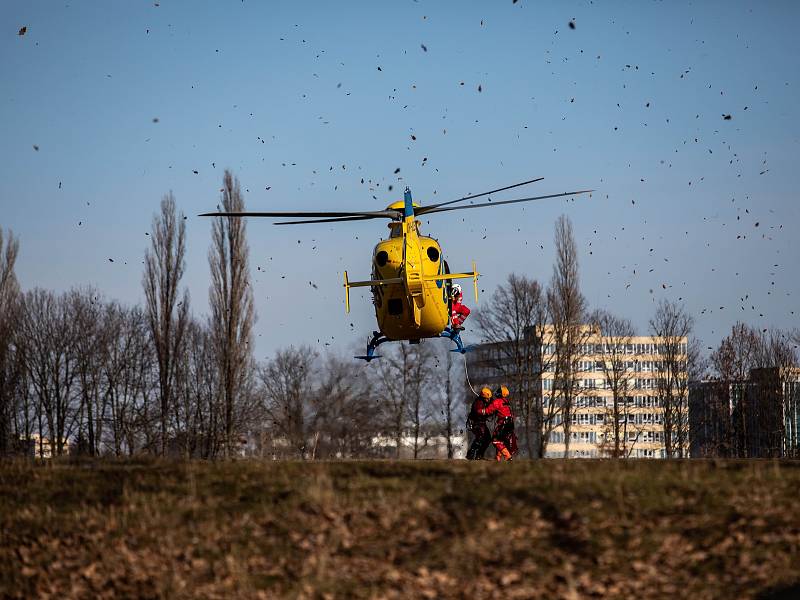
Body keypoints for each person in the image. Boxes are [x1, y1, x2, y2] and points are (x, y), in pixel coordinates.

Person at [482, 385, 516, 461]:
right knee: (501, 441)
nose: (497, 392)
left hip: (504, 424)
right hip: (510, 423)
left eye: (499, 391)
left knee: (495, 440)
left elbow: (488, 411)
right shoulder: (506, 401)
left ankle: (508, 457)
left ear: (501, 394)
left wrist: (482, 411)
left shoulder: (497, 401)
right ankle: (498, 459)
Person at [466, 387, 493, 460]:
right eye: (488, 398)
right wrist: (488, 411)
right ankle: (470, 455)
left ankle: (479, 455)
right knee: (480, 438)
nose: (489, 399)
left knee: (487, 439)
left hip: (482, 424)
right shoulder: (478, 402)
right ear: (484, 397)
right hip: (475, 423)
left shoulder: (485, 402)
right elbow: (479, 411)